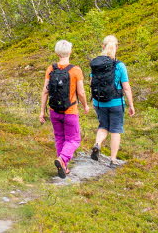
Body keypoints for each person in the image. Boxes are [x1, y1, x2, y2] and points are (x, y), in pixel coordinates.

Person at [39, 39, 89, 178]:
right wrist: (85, 105)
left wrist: (42, 112)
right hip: (70, 111)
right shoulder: (75, 70)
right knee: (74, 140)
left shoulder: (51, 68)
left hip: (54, 111)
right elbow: (81, 92)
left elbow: (45, 91)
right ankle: (62, 160)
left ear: (57, 52)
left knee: (60, 137)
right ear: (70, 51)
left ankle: (63, 167)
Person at [89, 34, 135, 166]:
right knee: (115, 130)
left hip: (99, 102)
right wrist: (131, 105)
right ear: (116, 47)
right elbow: (126, 87)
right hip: (116, 102)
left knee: (103, 126)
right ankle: (113, 159)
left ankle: (97, 144)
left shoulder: (96, 65)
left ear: (102, 46)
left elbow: (92, 82)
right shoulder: (119, 66)